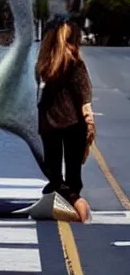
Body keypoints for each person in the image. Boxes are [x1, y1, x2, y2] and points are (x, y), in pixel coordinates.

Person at [35, 15, 95, 223]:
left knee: (53, 168)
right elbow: (84, 92)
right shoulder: (75, 62)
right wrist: (89, 118)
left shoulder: (43, 65)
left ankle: (61, 193)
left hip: (49, 123)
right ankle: (73, 198)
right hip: (73, 123)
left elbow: (40, 93)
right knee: (73, 171)